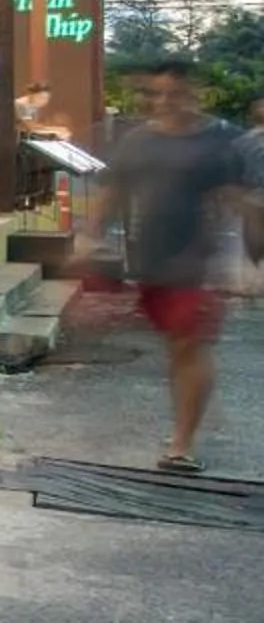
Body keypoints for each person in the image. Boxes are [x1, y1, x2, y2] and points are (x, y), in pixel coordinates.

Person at [86, 60, 254, 473]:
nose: (164, 102)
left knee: (189, 344)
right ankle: (189, 417)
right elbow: (112, 192)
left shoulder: (222, 141)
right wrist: (90, 238)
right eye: (157, 94)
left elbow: (241, 201)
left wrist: (248, 262)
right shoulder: (138, 141)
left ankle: (182, 443)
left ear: (196, 92)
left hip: (198, 261)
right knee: (177, 349)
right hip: (151, 262)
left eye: (174, 94)